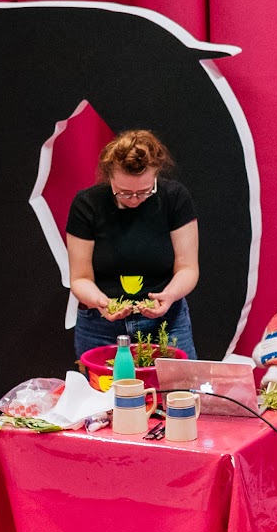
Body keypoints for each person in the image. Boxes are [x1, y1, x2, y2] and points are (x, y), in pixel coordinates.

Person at [66, 128, 201, 360]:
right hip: (100, 327)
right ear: (109, 178)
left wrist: (169, 295)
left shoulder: (175, 198)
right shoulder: (87, 204)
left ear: (156, 175)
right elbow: (80, 278)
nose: (135, 199)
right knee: (101, 395)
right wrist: (99, 301)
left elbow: (188, 268)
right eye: (124, 193)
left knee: (176, 393)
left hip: (166, 323)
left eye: (145, 191)